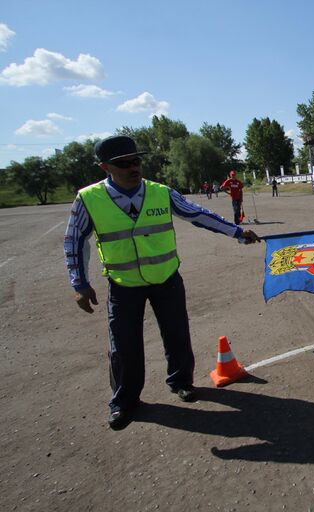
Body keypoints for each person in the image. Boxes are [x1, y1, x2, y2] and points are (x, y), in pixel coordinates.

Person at [64, 135, 260, 430]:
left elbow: (198, 214)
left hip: (167, 278)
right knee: (123, 346)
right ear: (105, 167)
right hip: (123, 284)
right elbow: (74, 241)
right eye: (124, 164)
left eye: (136, 160)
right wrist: (79, 283)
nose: (134, 167)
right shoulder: (89, 199)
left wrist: (236, 232)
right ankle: (124, 402)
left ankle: (181, 382)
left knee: (177, 333)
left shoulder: (160, 192)